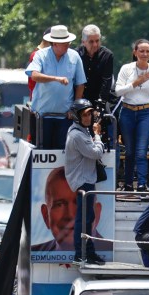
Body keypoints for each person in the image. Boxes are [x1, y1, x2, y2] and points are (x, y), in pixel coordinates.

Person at [114, 39, 149, 192]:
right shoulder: (127, 69)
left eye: (147, 51)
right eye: (141, 51)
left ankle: (141, 184)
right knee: (130, 151)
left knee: (141, 151)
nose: (145, 54)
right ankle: (127, 183)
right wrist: (135, 82)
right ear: (135, 53)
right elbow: (118, 91)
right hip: (127, 111)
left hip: (146, 112)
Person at [27, 25, 86, 149]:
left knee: (62, 153)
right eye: (64, 43)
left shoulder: (74, 56)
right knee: (42, 152)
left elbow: (80, 84)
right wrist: (55, 78)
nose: (67, 45)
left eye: (67, 42)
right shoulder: (40, 55)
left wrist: (74, 108)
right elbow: (34, 75)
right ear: (54, 44)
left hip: (65, 116)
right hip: (42, 116)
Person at [64, 99, 107, 265]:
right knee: (83, 220)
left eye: (90, 113)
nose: (88, 117)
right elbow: (96, 153)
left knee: (88, 218)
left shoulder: (81, 131)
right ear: (77, 116)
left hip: (86, 179)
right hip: (82, 182)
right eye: (84, 114)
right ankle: (80, 253)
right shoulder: (77, 135)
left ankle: (89, 252)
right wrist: (97, 135)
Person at [30, 165, 109, 256]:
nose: (71, 214)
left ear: (97, 213)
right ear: (45, 215)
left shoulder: (113, 251)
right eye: (59, 205)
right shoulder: (36, 252)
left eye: (80, 203)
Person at [78, 25, 115, 110]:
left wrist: (100, 104)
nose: (95, 45)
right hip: (79, 100)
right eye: (91, 42)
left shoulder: (107, 55)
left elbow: (106, 81)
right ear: (83, 42)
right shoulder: (76, 54)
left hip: (99, 99)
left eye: (97, 41)